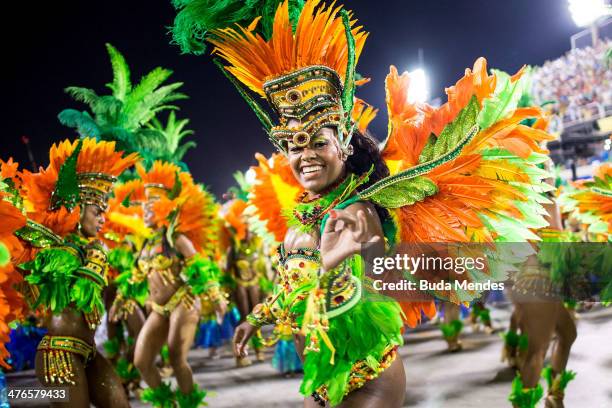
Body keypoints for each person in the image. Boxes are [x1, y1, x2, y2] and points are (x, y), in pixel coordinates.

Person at [171, 0, 559, 405]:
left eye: (319, 142)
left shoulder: (357, 210)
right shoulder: (302, 216)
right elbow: (293, 287)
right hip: (322, 378)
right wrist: (257, 317)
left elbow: (387, 291)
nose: (306, 156)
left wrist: (356, 259)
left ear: (343, 146)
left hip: (368, 374)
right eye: (293, 145)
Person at [17, 138, 138, 408]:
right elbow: (74, 295)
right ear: (78, 210)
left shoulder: (90, 249)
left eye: (104, 212)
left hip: (89, 352)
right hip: (59, 354)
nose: (103, 219)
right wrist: (94, 260)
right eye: (97, 212)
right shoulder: (55, 250)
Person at [133, 160, 226, 407]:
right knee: (141, 361)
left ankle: (188, 403)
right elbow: (136, 279)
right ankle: (167, 403)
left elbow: (200, 267)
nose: (144, 211)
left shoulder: (176, 238)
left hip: (183, 302)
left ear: (165, 208)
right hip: (158, 309)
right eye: (143, 206)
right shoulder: (144, 245)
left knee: (176, 357)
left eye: (151, 206)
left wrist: (215, 298)